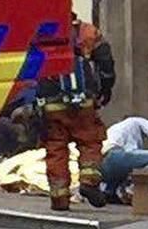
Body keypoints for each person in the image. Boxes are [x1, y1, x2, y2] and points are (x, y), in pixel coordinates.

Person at [36, 15, 116, 211]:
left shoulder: (36, 31)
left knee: (56, 149)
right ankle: (89, 181)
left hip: (50, 101)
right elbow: (105, 60)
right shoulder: (85, 31)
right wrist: (106, 88)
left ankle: (59, 198)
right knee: (90, 141)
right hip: (82, 101)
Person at [100, 117, 148, 199]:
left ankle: (109, 192)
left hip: (102, 164)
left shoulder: (115, 128)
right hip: (116, 156)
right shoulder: (138, 120)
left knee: (127, 168)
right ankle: (132, 188)